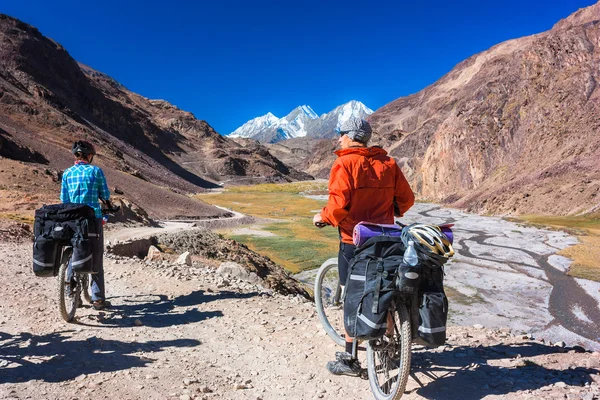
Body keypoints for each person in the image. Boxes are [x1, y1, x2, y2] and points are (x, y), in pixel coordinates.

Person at [313, 117, 415, 376]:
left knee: (353, 296)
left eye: (340, 134)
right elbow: (406, 199)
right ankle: (390, 346)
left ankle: (349, 359)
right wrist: (392, 210)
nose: (338, 139)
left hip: (354, 241)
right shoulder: (388, 163)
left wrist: (322, 218)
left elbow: (338, 205)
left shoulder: (344, 163)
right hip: (388, 237)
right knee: (387, 289)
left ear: (349, 136)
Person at [61, 140, 117, 310]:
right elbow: (105, 194)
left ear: (76, 156)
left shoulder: (67, 173)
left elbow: (63, 199)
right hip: (91, 218)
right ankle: (98, 299)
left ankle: (70, 290)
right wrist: (108, 205)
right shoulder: (95, 171)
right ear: (89, 156)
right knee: (96, 256)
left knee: (73, 250)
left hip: (71, 219)